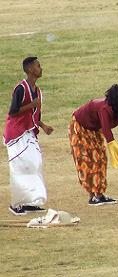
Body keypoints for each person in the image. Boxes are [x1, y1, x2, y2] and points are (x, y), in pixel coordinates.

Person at [68, 84, 118, 206]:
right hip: (80, 127)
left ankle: (99, 194)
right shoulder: (105, 109)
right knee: (89, 161)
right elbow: (107, 132)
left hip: (93, 129)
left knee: (101, 160)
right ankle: (93, 196)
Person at [3, 56, 53, 216]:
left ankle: (31, 201)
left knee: (34, 164)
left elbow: (35, 115)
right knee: (20, 167)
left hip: (29, 132)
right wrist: (32, 104)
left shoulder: (37, 91)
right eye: (38, 66)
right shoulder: (21, 88)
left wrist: (43, 126)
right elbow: (13, 111)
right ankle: (17, 204)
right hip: (16, 133)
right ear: (30, 70)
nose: (41, 68)